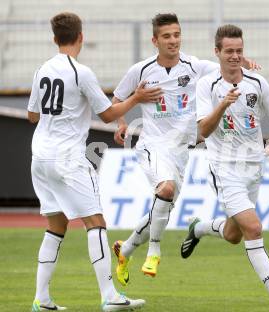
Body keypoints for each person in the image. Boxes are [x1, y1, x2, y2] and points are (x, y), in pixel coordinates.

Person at [111, 13, 258, 285]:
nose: (173, 40)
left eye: (176, 35)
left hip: (182, 151)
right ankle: (155, 250)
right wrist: (122, 123)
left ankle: (126, 249)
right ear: (155, 40)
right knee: (165, 190)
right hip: (153, 145)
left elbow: (225, 66)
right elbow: (117, 97)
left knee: (161, 209)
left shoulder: (194, 66)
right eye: (166, 36)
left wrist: (242, 63)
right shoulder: (141, 70)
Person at [28, 12, 152, 311]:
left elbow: (33, 115)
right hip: (67, 157)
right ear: (81, 37)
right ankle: (110, 296)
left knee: (56, 225)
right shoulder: (80, 72)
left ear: (55, 38)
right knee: (96, 222)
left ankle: (41, 300)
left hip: (40, 157)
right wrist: (136, 98)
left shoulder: (42, 70)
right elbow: (108, 114)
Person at [180, 24, 269, 311]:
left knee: (234, 235)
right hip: (224, 168)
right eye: (229, 51)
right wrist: (222, 105)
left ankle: (199, 229)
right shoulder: (206, 86)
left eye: (239, 51)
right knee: (254, 228)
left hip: (253, 168)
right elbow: (203, 131)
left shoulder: (257, 83)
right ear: (217, 52)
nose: (235, 56)